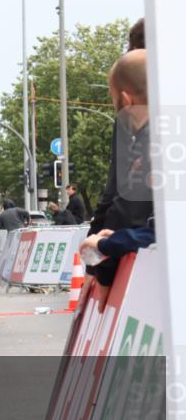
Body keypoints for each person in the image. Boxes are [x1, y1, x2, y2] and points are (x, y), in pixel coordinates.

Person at [85, 49, 152, 295]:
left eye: (112, 98)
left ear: (125, 99)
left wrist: (102, 252)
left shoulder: (151, 143)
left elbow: (131, 212)